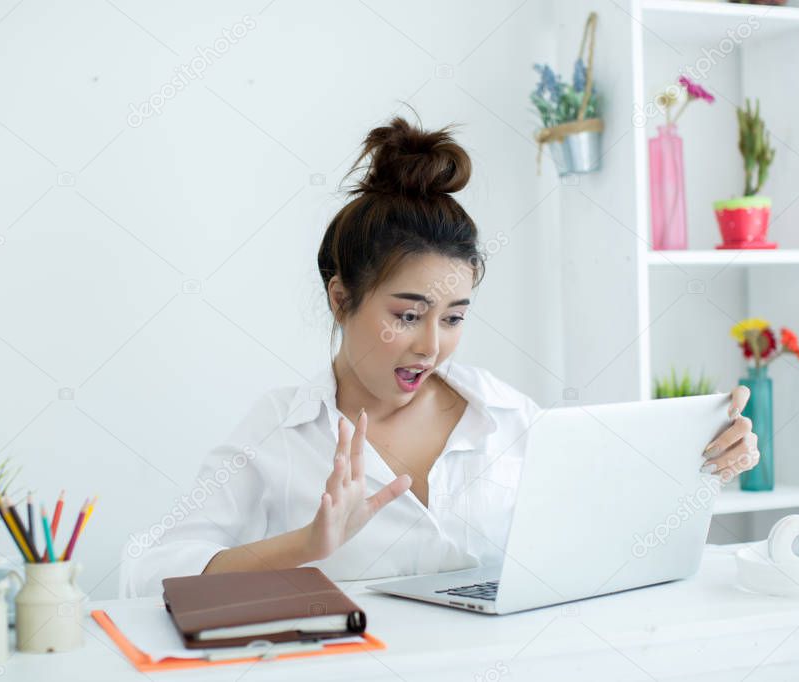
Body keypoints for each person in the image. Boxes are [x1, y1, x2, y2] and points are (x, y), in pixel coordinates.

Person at [120, 116, 759, 597]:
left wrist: (696, 468)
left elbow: (604, 538)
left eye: (453, 318)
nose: (432, 345)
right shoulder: (280, 431)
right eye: (406, 315)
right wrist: (305, 547)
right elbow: (149, 574)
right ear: (341, 298)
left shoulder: (507, 417)